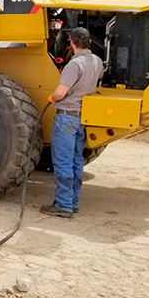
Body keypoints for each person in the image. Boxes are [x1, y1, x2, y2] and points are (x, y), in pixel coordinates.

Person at [40, 27, 104, 218]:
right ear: (90, 43)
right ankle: (73, 202)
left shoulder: (74, 65)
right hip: (82, 117)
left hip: (66, 117)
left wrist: (53, 98)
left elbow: (61, 92)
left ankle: (64, 205)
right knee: (76, 160)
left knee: (62, 161)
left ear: (71, 42)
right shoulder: (97, 61)